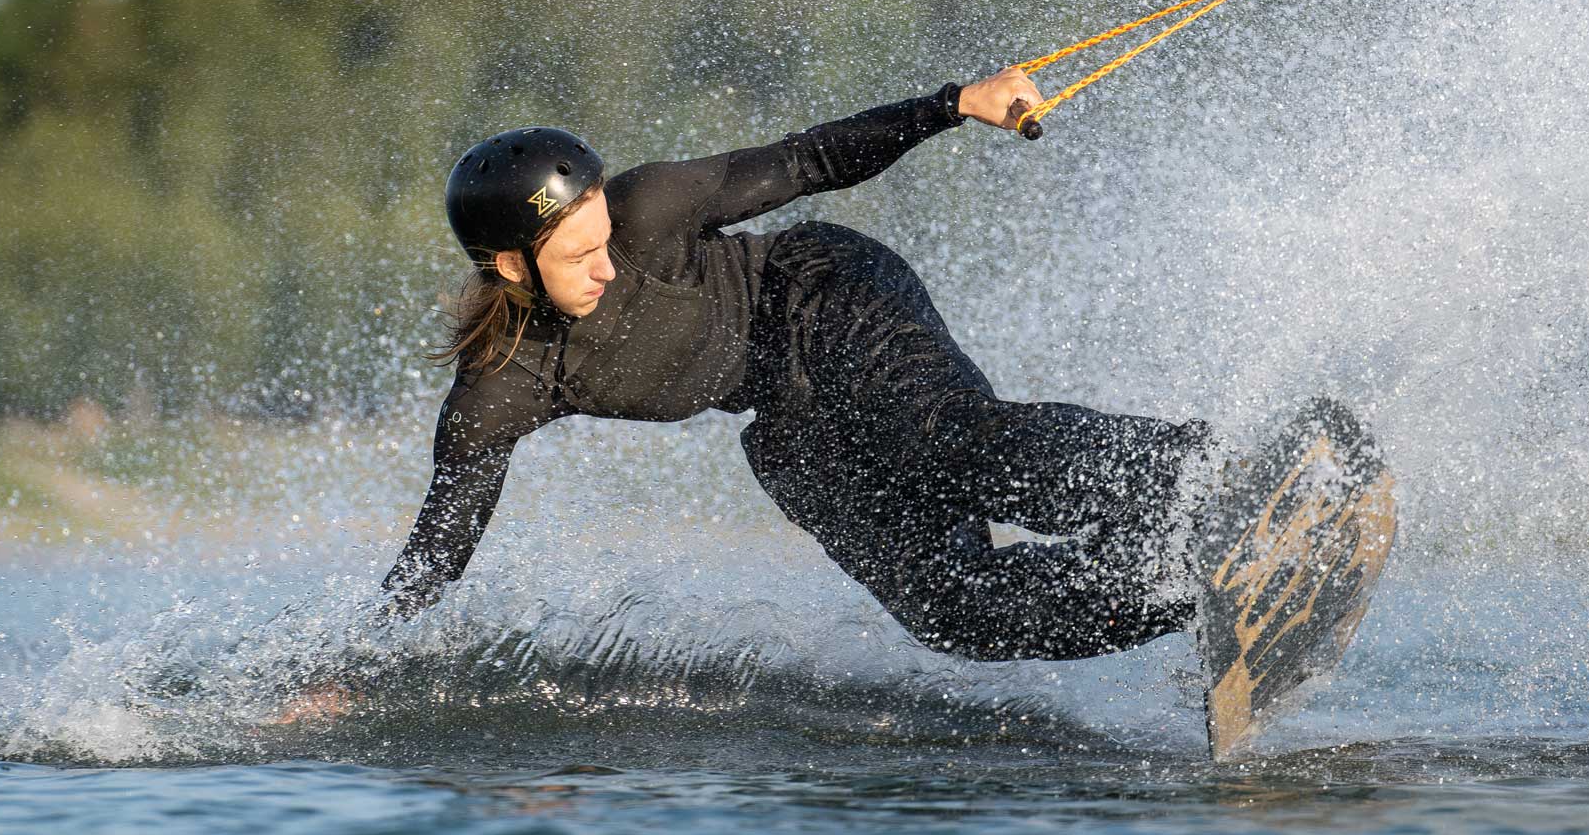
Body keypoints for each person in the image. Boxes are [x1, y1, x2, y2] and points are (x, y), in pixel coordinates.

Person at [381, 67, 1218, 661]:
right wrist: (356, 668)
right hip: (789, 419)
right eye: (577, 255)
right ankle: (1179, 579)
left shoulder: (650, 207)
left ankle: (1208, 478)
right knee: (955, 610)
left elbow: (807, 161)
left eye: (604, 241)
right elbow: (436, 550)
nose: (605, 266)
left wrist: (955, 105)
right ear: (512, 266)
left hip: (823, 293)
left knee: (956, 445)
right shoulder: (500, 391)